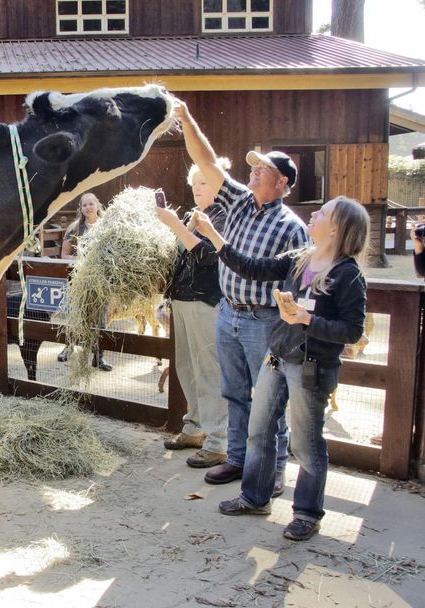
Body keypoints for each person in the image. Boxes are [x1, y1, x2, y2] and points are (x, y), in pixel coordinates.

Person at [193, 196, 368, 541]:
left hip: (311, 367)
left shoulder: (348, 275)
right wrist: (214, 236)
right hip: (277, 358)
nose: (313, 215)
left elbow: (352, 331)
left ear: (336, 228)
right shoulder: (299, 260)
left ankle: (306, 514)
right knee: (259, 430)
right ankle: (255, 498)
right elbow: (252, 268)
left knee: (306, 444)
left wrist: (307, 320)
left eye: (322, 213)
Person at [174, 100, 309, 493]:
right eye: (253, 166)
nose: (254, 171)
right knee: (233, 391)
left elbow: (296, 283)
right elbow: (208, 160)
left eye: (263, 169)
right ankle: (236, 459)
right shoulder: (236, 201)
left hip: (264, 320)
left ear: (282, 181)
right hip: (227, 313)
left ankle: (276, 468)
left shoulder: (291, 227)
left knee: (269, 398)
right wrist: (186, 119)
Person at [155, 161, 229, 468]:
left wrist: (175, 226)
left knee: (209, 370)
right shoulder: (189, 216)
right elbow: (178, 258)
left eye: (205, 183)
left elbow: (209, 258)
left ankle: (218, 442)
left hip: (207, 301)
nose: (198, 189)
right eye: (195, 184)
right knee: (186, 367)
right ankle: (195, 428)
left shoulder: (224, 218)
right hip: (182, 300)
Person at [58, 192, 112, 371]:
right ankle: (69, 348)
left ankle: (99, 357)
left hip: (101, 281)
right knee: (77, 315)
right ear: (80, 208)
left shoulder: (107, 227)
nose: (88, 207)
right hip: (79, 281)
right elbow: (64, 254)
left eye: (91, 204)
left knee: (100, 319)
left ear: (97, 205)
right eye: (84, 205)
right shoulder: (74, 229)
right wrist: (81, 262)